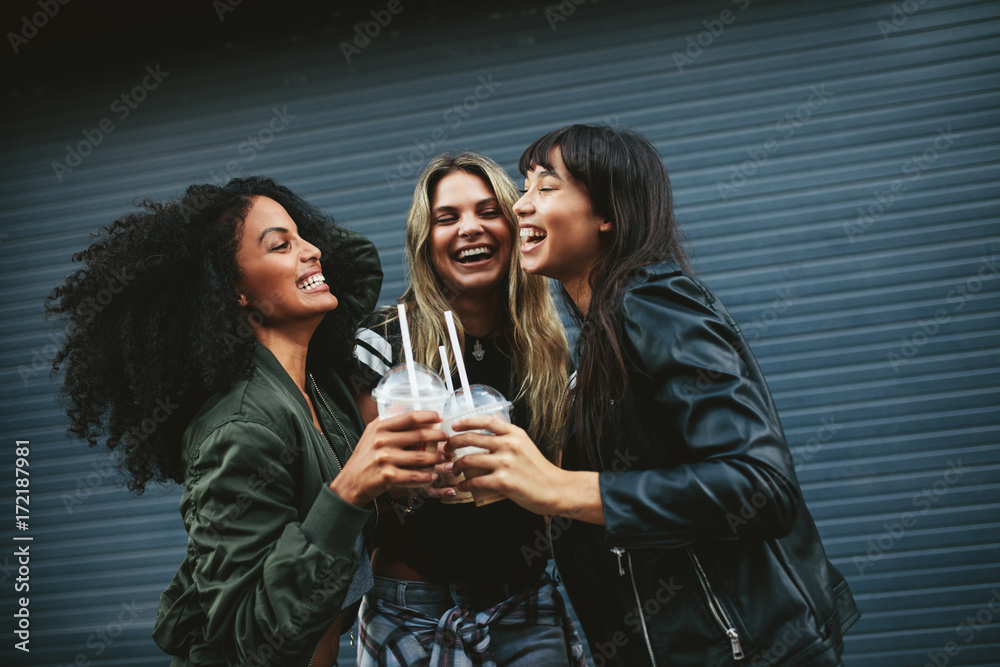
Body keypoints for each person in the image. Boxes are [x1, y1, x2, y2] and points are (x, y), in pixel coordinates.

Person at [446, 125, 861, 666]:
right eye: (524, 187)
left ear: (608, 214)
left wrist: (558, 488)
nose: (520, 206)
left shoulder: (655, 302)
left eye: (546, 188)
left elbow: (761, 486)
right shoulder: (599, 343)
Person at [45, 176, 447, 667]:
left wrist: (277, 225)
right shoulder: (241, 430)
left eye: (305, 234)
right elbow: (249, 640)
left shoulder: (316, 377)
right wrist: (349, 493)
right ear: (233, 290)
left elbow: (356, 261)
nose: (314, 250)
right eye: (281, 245)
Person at [350, 152, 584, 666]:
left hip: (523, 605)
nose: (469, 228)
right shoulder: (386, 343)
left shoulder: (547, 348)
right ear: (424, 240)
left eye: (487, 211)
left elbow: (559, 488)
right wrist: (407, 484)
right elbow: (362, 487)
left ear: (513, 224)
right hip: (412, 610)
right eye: (447, 218)